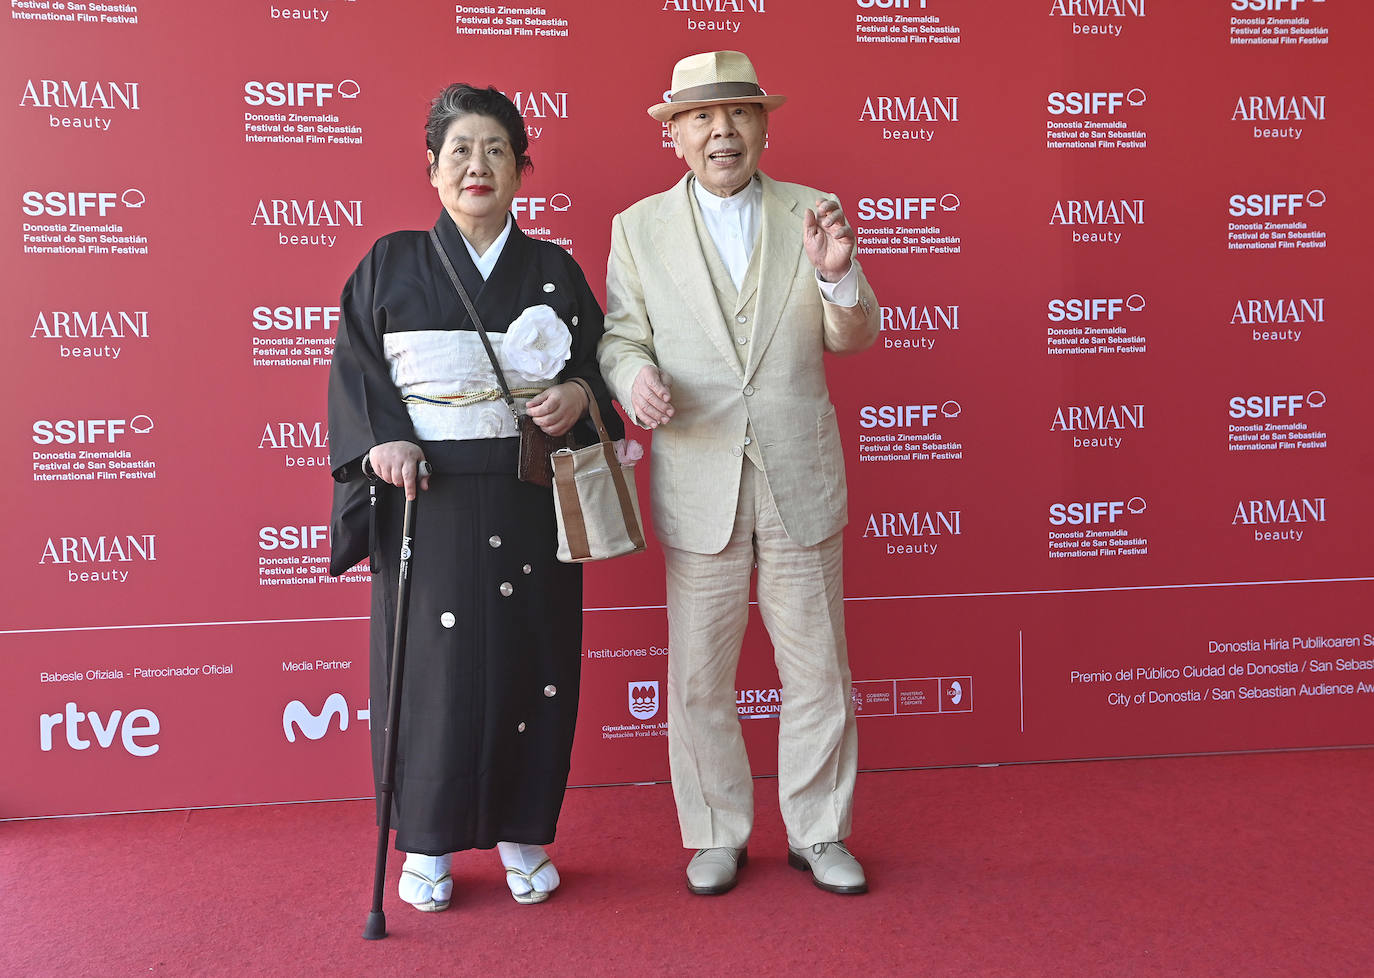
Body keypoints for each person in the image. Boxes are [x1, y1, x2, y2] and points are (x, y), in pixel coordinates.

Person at [328, 83, 622, 911]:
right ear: (432, 170)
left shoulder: (554, 270)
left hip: (533, 494)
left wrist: (577, 396)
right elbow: (357, 370)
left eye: (495, 149)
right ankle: (425, 843)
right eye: (459, 150)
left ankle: (524, 831)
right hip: (432, 497)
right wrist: (381, 439)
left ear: (523, 168)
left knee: (535, 659)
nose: (477, 166)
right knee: (431, 673)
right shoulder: (390, 263)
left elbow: (598, 369)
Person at [598, 51, 880, 896]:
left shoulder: (812, 210)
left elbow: (854, 336)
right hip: (697, 476)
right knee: (698, 676)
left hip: (800, 474)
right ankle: (715, 832)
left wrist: (837, 275)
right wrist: (629, 378)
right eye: (702, 119)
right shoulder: (637, 227)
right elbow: (620, 336)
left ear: (764, 125)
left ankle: (819, 831)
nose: (722, 132)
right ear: (674, 134)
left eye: (740, 115)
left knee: (819, 668)